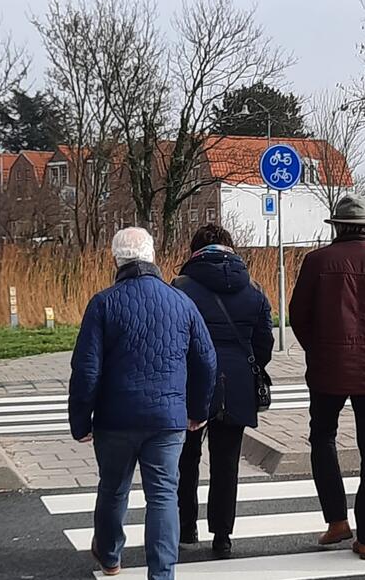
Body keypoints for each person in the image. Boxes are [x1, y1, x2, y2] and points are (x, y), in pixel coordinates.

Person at [68, 227, 217, 580]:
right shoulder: (181, 301)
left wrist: (80, 420)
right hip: (167, 418)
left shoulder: (103, 303)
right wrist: (197, 411)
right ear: (153, 256)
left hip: (114, 419)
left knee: (113, 487)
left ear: (115, 259)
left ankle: (109, 556)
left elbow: (86, 369)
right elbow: (207, 360)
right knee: (164, 495)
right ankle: (162, 573)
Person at [289, 194, 365, 561]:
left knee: (322, 438)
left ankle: (337, 521)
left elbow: (299, 314)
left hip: (328, 367)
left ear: (338, 228)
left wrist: (317, 348)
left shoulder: (316, 262)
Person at [173, 224, 274, 558]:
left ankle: (187, 527)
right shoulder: (255, 288)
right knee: (227, 461)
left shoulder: (181, 288)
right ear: (230, 248)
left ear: (194, 251)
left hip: (191, 384)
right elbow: (264, 344)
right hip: (238, 383)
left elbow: (174, 341)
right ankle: (222, 537)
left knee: (186, 459)